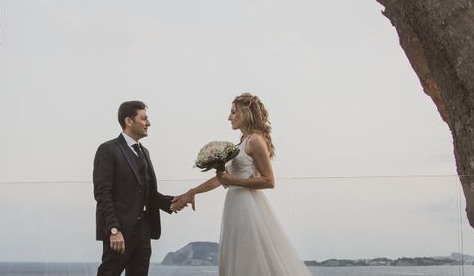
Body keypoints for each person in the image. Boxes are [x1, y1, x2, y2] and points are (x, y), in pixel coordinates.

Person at [171, 93, 311, 276]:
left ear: (246, 113)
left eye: (233, 112)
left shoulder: (255, 140)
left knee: (250, 261)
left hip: (248, 207)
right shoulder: (241, 143)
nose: (229, 117)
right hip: (234, 206)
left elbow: (269, 181)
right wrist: (192, 192)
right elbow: (221, 178)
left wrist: (233, 181)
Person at [93, 100, 182, 276]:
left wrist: (174, 201)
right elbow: (102, 193)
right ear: (128, 121)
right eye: (144, 118)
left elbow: (146, 192)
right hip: (120, 232)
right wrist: (114, 230)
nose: (148, 123)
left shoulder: (144, 152)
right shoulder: (108, 150)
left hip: (144, 231)